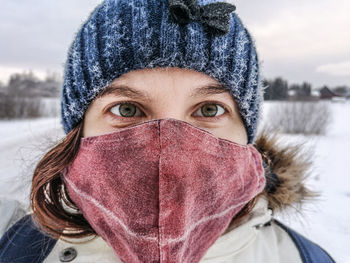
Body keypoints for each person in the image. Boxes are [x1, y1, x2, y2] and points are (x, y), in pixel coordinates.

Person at [0, 0, 335, 262]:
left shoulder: (306, 259)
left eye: (209, 110)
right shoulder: (13, 247)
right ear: (78, 131)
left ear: (245, 134)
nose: (169, 153)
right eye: (127, 110)